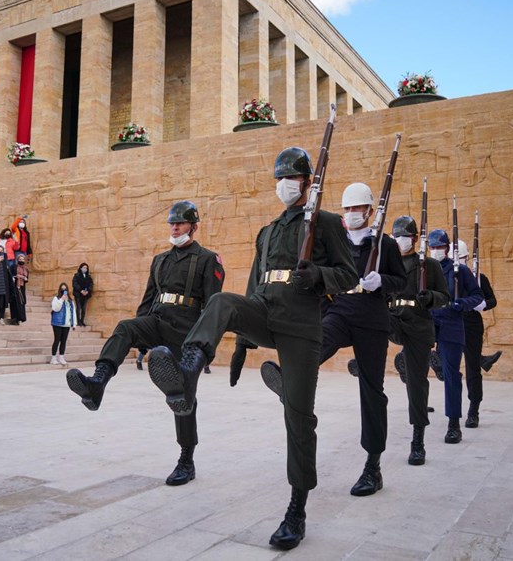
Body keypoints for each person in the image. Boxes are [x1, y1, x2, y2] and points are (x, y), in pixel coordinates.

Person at [147, 150, 357, 550]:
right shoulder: (269, 230)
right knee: (223, 301)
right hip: (265, 310)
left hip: (300, 325)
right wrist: (242, 339)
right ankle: (187, 372)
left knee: (298, 417)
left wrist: (320, 275)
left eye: (292, 176)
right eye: (280, 177)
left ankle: (297, 506)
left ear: (308, 181)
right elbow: (253, 286)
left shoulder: (326, 223)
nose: (285, 183)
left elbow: (349, 275)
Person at [259, 181, 406, 498]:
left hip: (371, 318)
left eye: (357, 208)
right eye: (348, 208)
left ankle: (373, 465)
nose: (352, 214)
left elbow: (401, 283)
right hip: (339, 309)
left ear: (369, 210)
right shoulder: (333, 235)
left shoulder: (387, 245)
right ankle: (288, 380)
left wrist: (381, 281)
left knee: (372, 390)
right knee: (316, 344)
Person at [67, 201, 225, 487]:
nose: (175, 227)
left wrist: (201, 349)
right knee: (126, 327)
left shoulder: (208, 259)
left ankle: (186, 460)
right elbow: (149, 298)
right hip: (158, 320)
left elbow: (212, 308)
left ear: (194, 226)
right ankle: (97, 383)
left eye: (180, 223)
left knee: (183, 398)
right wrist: (141, 338)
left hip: (186, 332)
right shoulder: (160, 260)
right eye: (172, 223)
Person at [384, 215, 450, 465]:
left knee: (417, 383)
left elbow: (444, 297)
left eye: (406, 236)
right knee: (368, 323)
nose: (401, 240)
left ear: (414, 238)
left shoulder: (428, 265)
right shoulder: (387, 263)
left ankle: (418, 440)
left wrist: (430, 297)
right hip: (393, 318)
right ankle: (365, 358)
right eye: (397, 235)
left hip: (418, 324)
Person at [428, 229, 484, 444]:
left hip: (451, 321)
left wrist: (462, 304)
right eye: (432, 247)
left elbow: (477, 295)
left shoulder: (459, 270)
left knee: (452, 373)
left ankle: (453, 424)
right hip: (429, 321)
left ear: (447, 247)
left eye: (439, 247)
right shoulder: (424, 268)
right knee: (417, 363)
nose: (435, 251)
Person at [451, 239, 500, 428]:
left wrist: (483, 304)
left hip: (471, 323)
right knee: (447, 367)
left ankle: (473, 410)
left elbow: (492, 300)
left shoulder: (478, 277)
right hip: (451, 322)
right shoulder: (445, 274)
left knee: (472, 369)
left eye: (461, 258)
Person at [50, 282, 76, 365]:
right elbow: (55, 308)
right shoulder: (56, 298)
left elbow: (73, 312)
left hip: (66, 324)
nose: (64, 290)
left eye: (65, 289)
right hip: (57, 323)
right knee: (57, 340)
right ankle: (53, 357)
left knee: (63, 341)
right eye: (62, 289)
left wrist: (74, 323)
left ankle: (61, 357)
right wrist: (61, 299)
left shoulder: (70, 301)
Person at [72, 262, 93, 327]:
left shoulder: (88, 277)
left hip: (86, 295)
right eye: (84, 267)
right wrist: (81, 290)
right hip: (78, 294)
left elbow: (91, 284)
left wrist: (88, 291)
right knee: (78, 308)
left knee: (84, 308)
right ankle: (78, 321)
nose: (85, 269)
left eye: (86, 268)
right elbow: (75, 284)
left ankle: (82, 321)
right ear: (81, 268)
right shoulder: (77, 275)